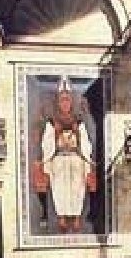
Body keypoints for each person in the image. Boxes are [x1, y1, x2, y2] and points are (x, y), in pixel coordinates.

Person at [34, 76, 96, 233]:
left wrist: (77, 133)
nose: (65, 104)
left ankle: (76, 216)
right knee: (59, 187)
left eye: (67, 100)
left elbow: (86, 141)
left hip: (76, 158)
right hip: (59, 159)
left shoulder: (78, 120)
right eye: (62, 100)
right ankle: (61, 216)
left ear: (71, 102)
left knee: (77, 186)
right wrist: (56, 133)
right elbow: (46, 142)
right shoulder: (52, 121)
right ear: (58, 102)